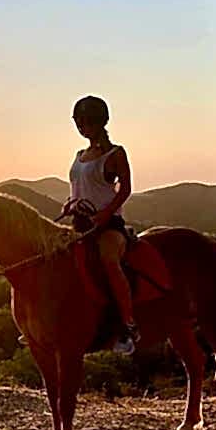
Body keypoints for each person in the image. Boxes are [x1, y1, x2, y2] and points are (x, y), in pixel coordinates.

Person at [64, 95, 139, 354]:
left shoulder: (115, 154)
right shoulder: (79, 155)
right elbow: (78, 187)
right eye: (80, 122)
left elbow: (125, 188)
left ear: (99, 122)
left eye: (87, 122)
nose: (83, 127)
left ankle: (127, 325)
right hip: (79, 223)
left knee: (109, 261)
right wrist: (70, 203)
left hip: (108, 226)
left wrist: (105, 214)